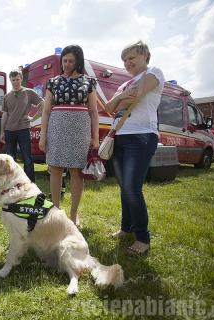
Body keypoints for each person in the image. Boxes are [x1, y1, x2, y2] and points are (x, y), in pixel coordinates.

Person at [105, 40, 165, 255]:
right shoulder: (123, 85)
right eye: (124, 60)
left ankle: (142, 238)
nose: (127, 63)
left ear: (145, 56)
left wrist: (121, 100)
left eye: (131, 58)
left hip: (142, 136)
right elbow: (109, 108)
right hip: (120, 136)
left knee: (132, 187)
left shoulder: (155, 72)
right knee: (124, 187)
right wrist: (121, 97)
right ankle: (126, 228)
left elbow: (138, 95)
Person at [39, 45, 99, 227]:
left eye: (71, 61)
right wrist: (43, 135)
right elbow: (46, 111)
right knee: (55, 169)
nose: (66, 64)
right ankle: (56, 212)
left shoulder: (88, 82)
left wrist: (95, 137)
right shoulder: (53, 82)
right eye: (64, 60)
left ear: (78, 62)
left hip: (80, 130)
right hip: (56, 129)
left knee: (76, 171)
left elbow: (94, 112)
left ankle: (73, 213)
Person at [0, 69, 44, 182]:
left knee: (27, 159)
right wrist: (2, 131)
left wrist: (33, 118)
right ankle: (12, 183)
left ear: (21, 79)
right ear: (10, 80)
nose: (15, 82)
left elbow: (43, 104)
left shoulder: (29, 92)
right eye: (13, 80)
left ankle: (29, 183)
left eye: (17, 79)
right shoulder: (6, 96)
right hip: (9, 131)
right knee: (10, 159)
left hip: (23, 130)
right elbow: (5, 114)